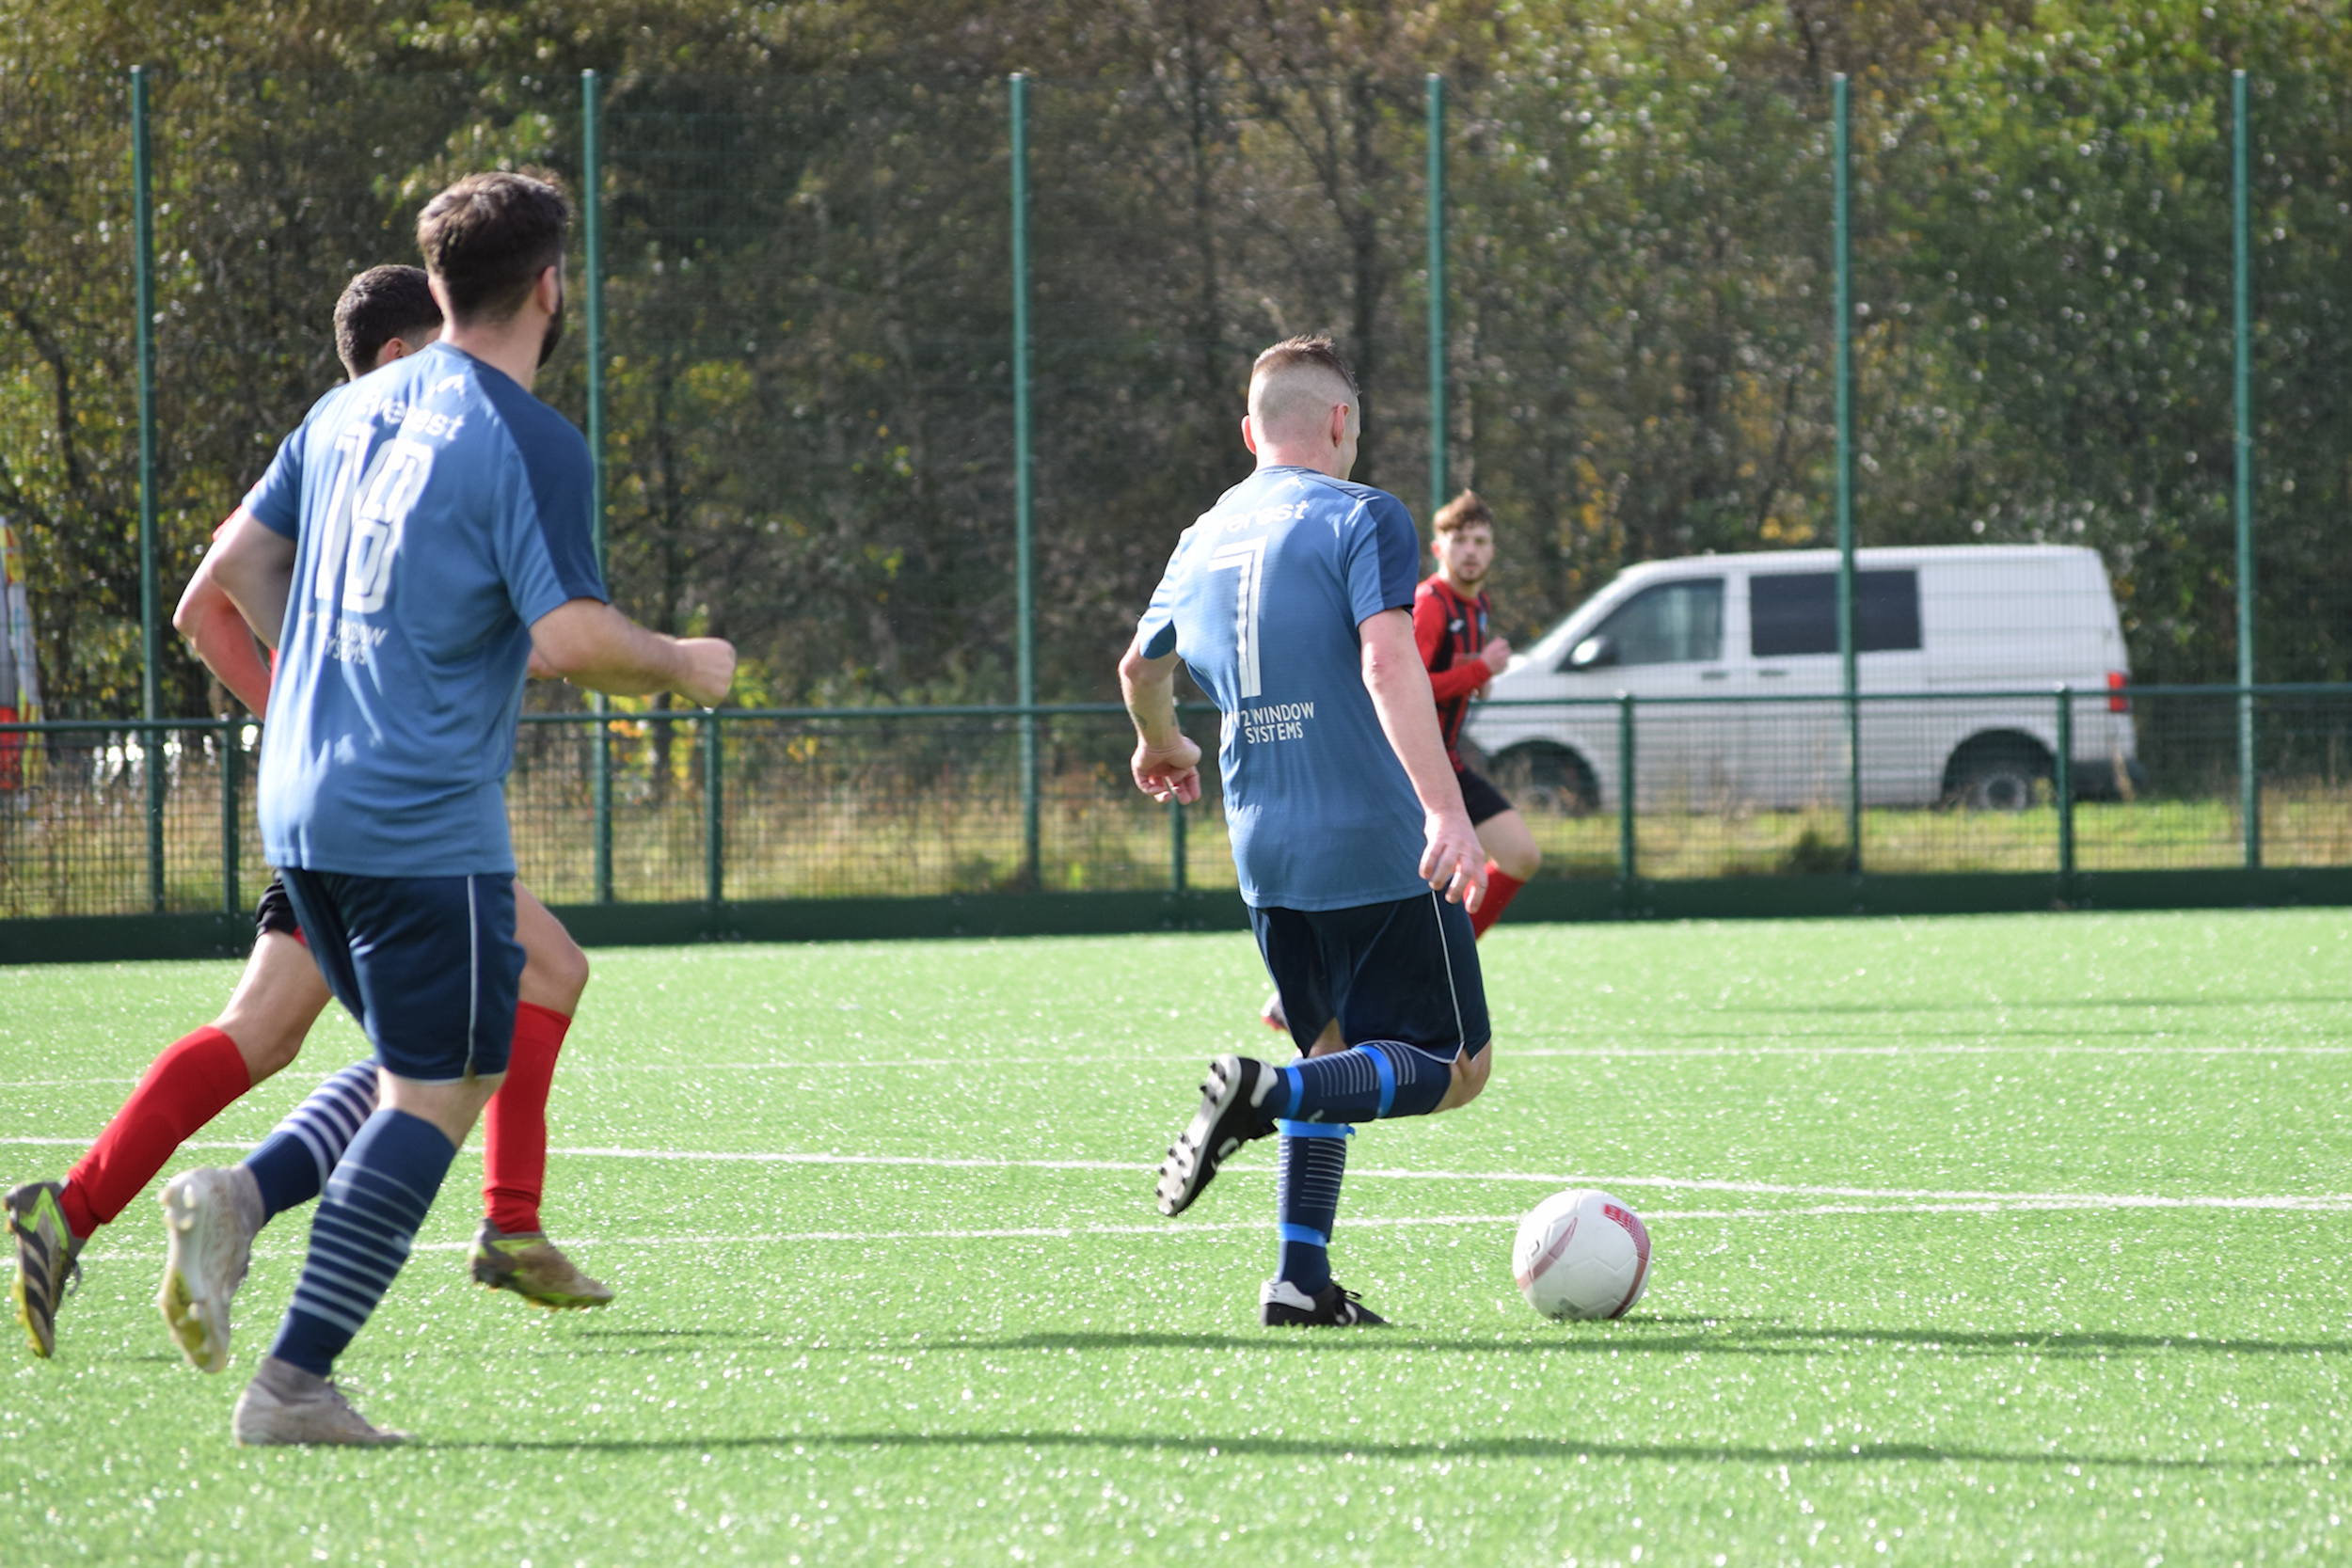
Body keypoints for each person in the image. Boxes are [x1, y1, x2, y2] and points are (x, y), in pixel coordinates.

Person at [199, 169, 734, 1445]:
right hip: (415, 813)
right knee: (436, 1092)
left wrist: (336, 674)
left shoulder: (343, 412)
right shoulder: (529, 436)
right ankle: (291, 1382)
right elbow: (566, 635)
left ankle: (244, 1196)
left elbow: (243, 566)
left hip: (306, 798)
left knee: (437, 1055)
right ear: (551, 285)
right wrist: (678, 660)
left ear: (436, 287)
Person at [4, 265, 610, 1381]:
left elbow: (207, 600)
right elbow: (209, 596)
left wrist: (304, 715)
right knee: (531, 983)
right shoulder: (393, 445)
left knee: (267, 1031)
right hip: (381, 808)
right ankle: (497, 1226)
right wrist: (324, 712)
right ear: (395, 355)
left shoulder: (344, 448)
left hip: (322, 796)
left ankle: (72, 1206)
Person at [1122, 335, 1492, 1328]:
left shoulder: (1201, 534)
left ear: (1250, 433)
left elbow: (1137, 670)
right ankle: (1263, 1093)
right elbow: (1386, 663)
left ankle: (1300, 1278)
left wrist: (1163, 748)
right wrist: (1447, 811)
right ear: (1340, 423)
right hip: (1374, 840)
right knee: (1452, 1063)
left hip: (1264, 853)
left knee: (1335, 1043)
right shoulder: (1364, 512)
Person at [1415, 490, 1540, 934]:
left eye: (1481, 541)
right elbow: (1408, 690)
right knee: (1395, 897)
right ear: (1438, 548)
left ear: (1493, 549)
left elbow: (1453, 676)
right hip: (1410, 770)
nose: (1470, 551)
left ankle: (1451, 954)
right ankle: (1295, 1002)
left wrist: (1477, 677)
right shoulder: (1430, 604)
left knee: (1521, 856)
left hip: (1449, 761)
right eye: (1460, 540)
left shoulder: (1478, 605)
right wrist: (1481, 670)